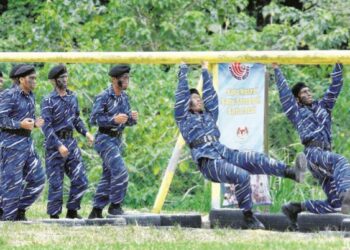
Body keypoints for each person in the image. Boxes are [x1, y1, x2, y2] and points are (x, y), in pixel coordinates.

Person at [174, 62, 307, 229]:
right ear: (187, 103)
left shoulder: (209, 115)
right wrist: (183, 71)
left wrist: (205, 71)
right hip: (208, 162)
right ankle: (248, 217)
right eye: (194, 98)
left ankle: (291, 173)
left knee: (255, 158)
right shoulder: (183, 118)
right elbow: (180, 97)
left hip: (224, 152)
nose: (198, 100)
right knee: (242, 175)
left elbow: (211, 97)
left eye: (198, 97)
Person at [273, 63, 350, 230]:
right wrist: (277, 70)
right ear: (297, 98)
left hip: (325, 156)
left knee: (336, 205)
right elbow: (284, 94)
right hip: (313, 153)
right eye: (303, 92)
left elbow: (335, 88)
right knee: (341, 161)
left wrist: (338, 64)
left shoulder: (324, 107)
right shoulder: (296, 112)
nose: (308, 93)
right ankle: (347, 195)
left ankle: (296, 207)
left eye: (309, 91)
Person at [41, 64, 94, 219]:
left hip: (71, 142)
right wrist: (58, 145)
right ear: (54, 81)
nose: (65, 80)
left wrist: (87, 133)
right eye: (61, 78)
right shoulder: (48, 100)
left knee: (81, 179)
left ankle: (72, 211)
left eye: (66, 76)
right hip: (54, 145)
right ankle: (54, 216)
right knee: (56, 183)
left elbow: (77, 120)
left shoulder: (72, 97)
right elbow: (46, 127)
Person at [88, 64, 138, 219]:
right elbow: (94, 119)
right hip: (104, 139)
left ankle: (96, 210)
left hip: (117, 140)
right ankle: (115, 206)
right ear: (114, 79)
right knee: (120, 170)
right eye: (124, 78)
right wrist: (113, 120)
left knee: (109, 175)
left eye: (128, 78)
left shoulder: (124, 97)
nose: (127, 81)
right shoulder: (103, 96)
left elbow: (126, 121)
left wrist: (132, 119)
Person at [0, 64, 45, 221]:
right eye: (31, 78)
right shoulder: (9, 95)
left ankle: (19, 210)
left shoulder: (30, 95)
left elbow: (27, 122)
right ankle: (8, 218)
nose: (34, 81)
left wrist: (34, 124)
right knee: (11, 185)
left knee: (38, 179)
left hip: (27, 143)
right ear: (21, 79)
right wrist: (20, 124)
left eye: (35, 78)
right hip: (11, 145)